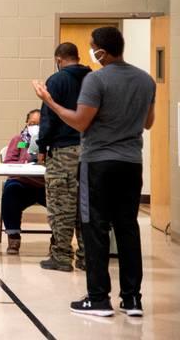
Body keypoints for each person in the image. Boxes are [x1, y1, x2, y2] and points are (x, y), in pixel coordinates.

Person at [33, 27, 155, 317]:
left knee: (95, 225)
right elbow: (148, 122)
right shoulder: (146, 80)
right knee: (127, 227)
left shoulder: (96, 80)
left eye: (91, 47)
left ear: (100, 50)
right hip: (131, 162)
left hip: (98, 162)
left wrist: (48, 100)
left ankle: (99, 297)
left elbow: (80, 122)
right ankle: (132, 298)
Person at [36, 42, 91, 272]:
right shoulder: (93, 78)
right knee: (86, 206)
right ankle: (87, 257)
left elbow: (49, 117)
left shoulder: (56, 80)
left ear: (59, 59)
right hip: (89, 150)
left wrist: (41, 146)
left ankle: (61, 256)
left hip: (63, 151)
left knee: (61, 206)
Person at [1, 109, 45, 255]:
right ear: (26, 123)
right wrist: (24, 161)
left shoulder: (50, 140)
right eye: (32, 123)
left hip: (45, 184)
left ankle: (58, 241)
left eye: (38, 124)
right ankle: (13, 237)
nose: (35, 126)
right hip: (23, 182)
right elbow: (8, 162)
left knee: (62, 195)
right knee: (10, 190)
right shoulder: (19, 140)